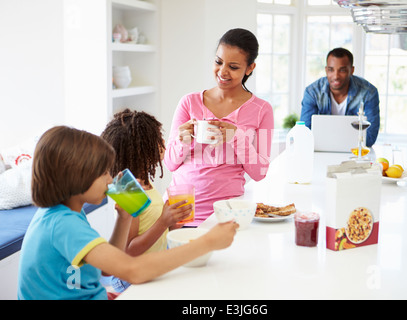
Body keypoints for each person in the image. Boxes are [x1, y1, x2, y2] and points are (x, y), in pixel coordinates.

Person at [17, 126, 238, 300]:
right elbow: (132, 270)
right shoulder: (64, 225)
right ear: (76, 177)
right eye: (103, 172)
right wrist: (207, 242)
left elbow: (105, 269)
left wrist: (125, 217)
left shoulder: (63, 214)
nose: (110, 179)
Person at [164, 28, 274, 226]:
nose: (222, 71)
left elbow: (260, 172)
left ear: (249, 68)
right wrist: (183, 141)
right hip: (181, 211)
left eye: (233, 66)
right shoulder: (189, 102)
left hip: (225, 214)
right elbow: (170, 163)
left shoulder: (262, 110)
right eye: (218, 62)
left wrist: (236, 137)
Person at [100, 108, 192, 293]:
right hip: (131, 279)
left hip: (148, 270)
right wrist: (163, 221)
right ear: (142, 151)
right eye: (157, 140)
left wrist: (173, 223)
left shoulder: (144, 183)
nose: (163, 143)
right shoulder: (129, 191)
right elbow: (129, 251)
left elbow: (152, 227)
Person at [300, 47, 380, 147]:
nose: (336, 76)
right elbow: (304, 133)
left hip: (355, 153)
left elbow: (370, 137)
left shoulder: (368, 93)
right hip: (321, 151)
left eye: (342, 70)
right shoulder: (312, 93)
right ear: (326, 70)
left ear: (352, 70)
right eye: (331, 70)